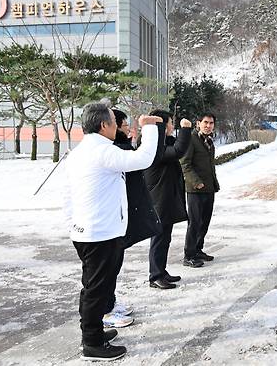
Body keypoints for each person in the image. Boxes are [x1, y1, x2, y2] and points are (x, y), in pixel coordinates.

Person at [64, 102, 161, 361]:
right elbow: (143, 159)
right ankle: (92, 343)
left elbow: (68, 196)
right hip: (99, 233)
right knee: (96, 289)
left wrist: (73, 224)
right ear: (104, 125)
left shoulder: (82, 151)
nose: (117, 126)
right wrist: (149, 128)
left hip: (89, 231)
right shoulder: (101, 151)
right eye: (114, 122)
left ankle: (93, 332)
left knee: (95, 286)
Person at [103, 109, 163, 320]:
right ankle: (105, 310)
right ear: (112, 126)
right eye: (125, 124)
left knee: (113, 266)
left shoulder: (117, 147)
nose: (128, 128)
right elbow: (145, 158)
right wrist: (150, 127)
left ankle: (108, 303)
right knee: (106, 270)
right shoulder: (114, 150)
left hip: (118, 217)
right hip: (110, 220)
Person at [144, 110, 193, 288]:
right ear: (162, 126)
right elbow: (178, 151)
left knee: (165, 238)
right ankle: (155, 276)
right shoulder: (152, 146)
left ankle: (161, 271)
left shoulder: (163, 141)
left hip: (166, 198)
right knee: (158, 239)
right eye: (170, 123)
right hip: (158, 199)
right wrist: (186, 130)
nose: (173, 126)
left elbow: (178, 145)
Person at [180, 112, 220, 268]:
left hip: (209, 188)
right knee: (195, 223)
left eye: (211, 123)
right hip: (195, 189)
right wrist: (196, 182)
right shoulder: (191, 139)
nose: (208, 126)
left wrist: (213, 184)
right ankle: (189, 255)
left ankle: (198, 249)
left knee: (205, 222)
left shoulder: (209, 141)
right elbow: (185, 164)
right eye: (205, 122)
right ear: (198, 123)